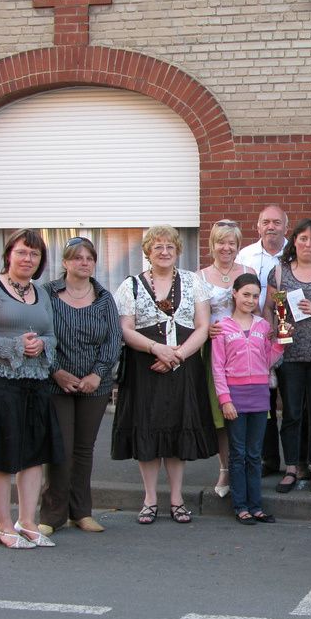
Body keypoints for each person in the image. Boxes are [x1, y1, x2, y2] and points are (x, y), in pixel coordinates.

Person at [112, 225, 218, 525]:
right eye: (157, 246)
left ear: (177, 251)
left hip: (183, 367)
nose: (164, 251)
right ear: (147, 251)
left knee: (176, 430)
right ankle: (149, 499)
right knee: (146, 429)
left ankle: (176, 498)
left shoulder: (193, 282)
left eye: (170, 246)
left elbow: (202, 326)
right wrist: (157, 349)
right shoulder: (131, 285)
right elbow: (125, 329)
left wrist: (177, 356)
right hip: (144, 368)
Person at [0, 229, 62, 549]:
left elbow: (51, 335)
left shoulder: (41, 293)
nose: (28, 259)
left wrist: (41, 345)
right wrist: (14, 346)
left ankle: (28, 521)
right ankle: (3, 525)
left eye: (34, 255)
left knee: (34, 456)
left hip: (35, 384)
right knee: (2, 456)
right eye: (22, 252)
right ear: (9, 254)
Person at [39, 236, 121, 536]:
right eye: (77, 258)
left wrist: (98, 374)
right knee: (61, 449)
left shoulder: (103, 298)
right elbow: (40, 335)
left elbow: (114, 339)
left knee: (84, 450)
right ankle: (51, 514)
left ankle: (81, 513)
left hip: (94, 387)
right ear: (65, 262)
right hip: (56, 383)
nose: (83, 262)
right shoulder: (46, 294)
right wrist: (57, 372)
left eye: (89, 258)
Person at [265, 219, 311, 495]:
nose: (308, 243)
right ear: (293, 241)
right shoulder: (280, 272)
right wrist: (273, 332)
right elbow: (269, 308)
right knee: (292, 413)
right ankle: (292, 467)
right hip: (290, 354)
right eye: (303, 238)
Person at [211, 274, 280, 525]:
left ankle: (256, 505)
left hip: (260, 396)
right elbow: (217, 367)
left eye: (255, 295)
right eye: (246, 294)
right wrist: (225, 399)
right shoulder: (222, 326)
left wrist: (281, 343)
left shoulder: (263, 326)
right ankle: (240, 505)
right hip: (235, 397)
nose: (250, 300)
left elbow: (267, 360)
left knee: (254, 454)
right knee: (237, 453)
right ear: (235, 294)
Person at [199, 219, 256, 499]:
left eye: (232, 242)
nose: (226, 247)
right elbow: (195, 316)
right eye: (221, 241)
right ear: (212, 244)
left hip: (246, 350)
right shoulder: (200, 277)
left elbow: (258, 310)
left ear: (238, 245)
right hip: (216, 349)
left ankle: (246, 466)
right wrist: (205, 327)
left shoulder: (248, 271)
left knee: (247, 409)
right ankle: (225, 468)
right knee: (222, 412)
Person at [236, 204, 288, 477]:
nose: (271, 226)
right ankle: (267, 459)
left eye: (276, 222)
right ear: (257, 226)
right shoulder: (245, 255)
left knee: (291, 401)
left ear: (285, 227)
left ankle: (296, 459)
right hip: (253, 336)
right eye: (266, 222)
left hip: (288, 337)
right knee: (263, 400)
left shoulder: (294, 252)